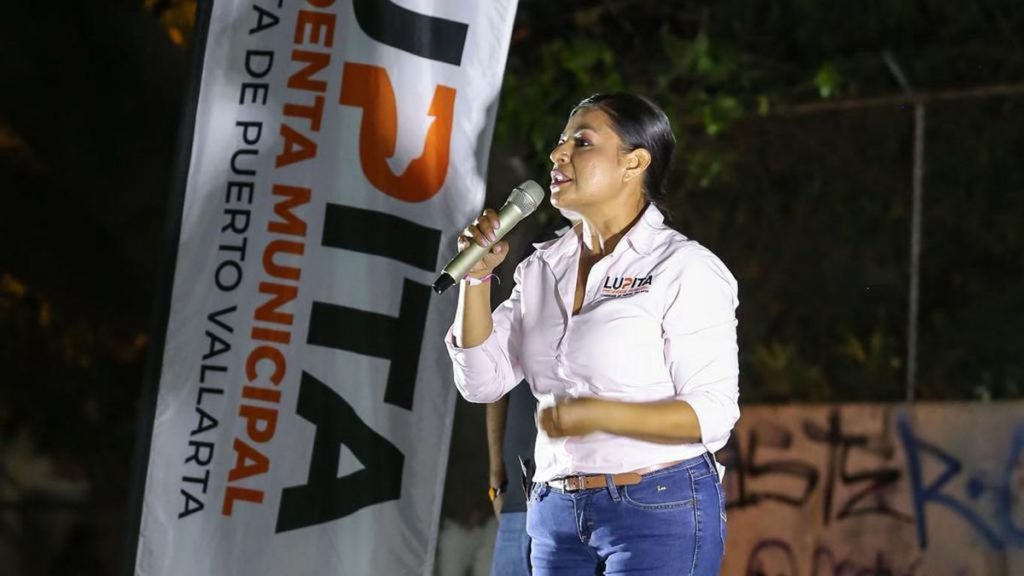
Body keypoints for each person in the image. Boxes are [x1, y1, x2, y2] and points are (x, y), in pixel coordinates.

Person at [445, 93, 739, 575]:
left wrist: (600, 415)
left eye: (581, 142)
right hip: (555, 513)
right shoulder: (542, 268)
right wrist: (476, 281)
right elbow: (481, 381)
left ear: (634, 163)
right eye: (560, 142)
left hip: (657, 506)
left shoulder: (683, 267)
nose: (557, 154)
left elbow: (713, 414)